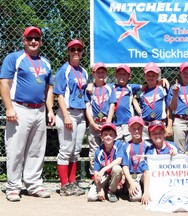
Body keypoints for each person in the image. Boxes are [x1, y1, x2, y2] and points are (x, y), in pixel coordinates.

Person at [0, 26, 55, 201]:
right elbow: (4, 83)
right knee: (15, 149)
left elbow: (49, 88)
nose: (33, 41)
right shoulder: (14, 58)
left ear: (41, 42)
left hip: (39, 109)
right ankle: (13, 187)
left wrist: (50, 110)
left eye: (37, 39)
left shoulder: (45, 62)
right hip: (19, 108)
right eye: (30, 38)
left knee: (36, 150)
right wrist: (9, 107)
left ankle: (33, 184)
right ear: (24, 40)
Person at [53, 39, 88, 196]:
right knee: (66, 149)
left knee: (76, 150)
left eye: (79, 50)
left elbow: (85, 94)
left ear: (82, 52)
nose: (76, 52)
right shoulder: (64, 70)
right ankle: (64, 184)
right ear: (68, 51)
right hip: (67, 113)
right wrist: (66, 116)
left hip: (80, 113)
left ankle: (72, 183)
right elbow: (59, 94)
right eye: (73, 49)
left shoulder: (83, 71)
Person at [85, 62, 117, 178]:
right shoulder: (89, 89)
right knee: (94, 149)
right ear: (93, 74)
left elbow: (112, 105)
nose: (101, 74)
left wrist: (108, 122)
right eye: (98, 72)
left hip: (106, 122)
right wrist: (92, 123)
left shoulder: (109, 87)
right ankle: (95, 174)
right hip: (94, 122)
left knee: (108, 147)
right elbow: (87, 107)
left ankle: (108, 173)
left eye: (103, 72)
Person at [87, 123, 123, 202]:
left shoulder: (118, 145)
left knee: (117, 168)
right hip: (104, 176)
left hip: (114, 174)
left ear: (115, 136)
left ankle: (112, 191)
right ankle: (104, 189)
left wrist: (103, 170)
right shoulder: (98, 151)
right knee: (91, 197)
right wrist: (99, 189)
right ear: (101, 136)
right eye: (105, 135)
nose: (108, 137)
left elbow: (119, 160)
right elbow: (96, 172)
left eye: (111, 134)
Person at [122, 116, 150, 204]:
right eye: (133, 128)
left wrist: (146, 192)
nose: (137, 131)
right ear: (129, 130)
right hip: (132, 175)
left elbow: (148, 171)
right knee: (135, 198)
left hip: (145, 175)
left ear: (143, 129)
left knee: (151, 195)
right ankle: (129, 187)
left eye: (139, 128)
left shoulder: (148, 145)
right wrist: (131, 182)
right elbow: (125, 167)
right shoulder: (126, 146)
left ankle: (144, 190)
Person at [139, 62, 169, 140]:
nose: (150, 77)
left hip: (159, 124)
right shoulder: (142, 94)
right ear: (144, 76)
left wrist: (169, 126)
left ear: (157, 76)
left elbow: (169, 107)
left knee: (160, 148)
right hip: (146, 126)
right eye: (148, 75)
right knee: (146, 148)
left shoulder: (163, 89)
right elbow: (141, 110)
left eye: (153, 75)